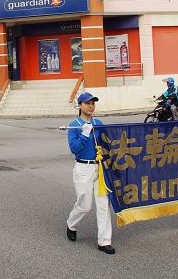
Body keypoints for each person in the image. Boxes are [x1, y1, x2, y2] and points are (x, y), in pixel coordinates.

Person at [66, 92, 115, 255]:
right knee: (85, 205)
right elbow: (74, 149)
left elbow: (108, 142)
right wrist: (85, 134)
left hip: (100, 167)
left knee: (103, 205)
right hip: (83, 168)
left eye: (93, 103)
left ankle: (104, 241)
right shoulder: (74, 125)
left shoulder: (99, 123)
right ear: (80, 106)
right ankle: (71, 224)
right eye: (87, 103)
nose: (91, 106)